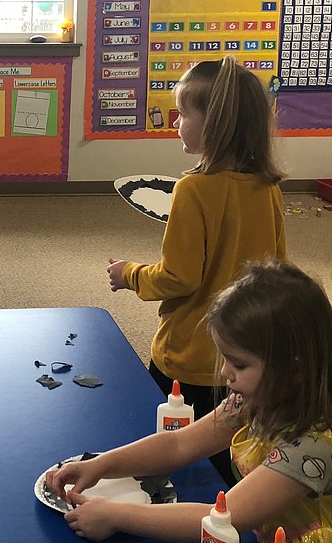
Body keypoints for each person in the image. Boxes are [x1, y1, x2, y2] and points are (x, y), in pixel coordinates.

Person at [46, 262, 332, 543]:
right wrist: (103, 464)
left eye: (239, 364)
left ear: (295, 369)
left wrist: (115, 516)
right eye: (225, 358)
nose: (226, 374)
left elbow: (225, 519)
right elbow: (181, 442)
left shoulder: (315, 446)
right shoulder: (259, 395)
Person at [106, 58, 286, 482]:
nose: (177, 121)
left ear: (217, 124)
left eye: (185, 113)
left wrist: (129, 274)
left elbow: (178, 277)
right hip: (244, 354)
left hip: (189, 356)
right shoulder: (268, 186)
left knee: (173, 458)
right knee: (230, 459)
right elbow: (278, 270)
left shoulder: (193, 188)